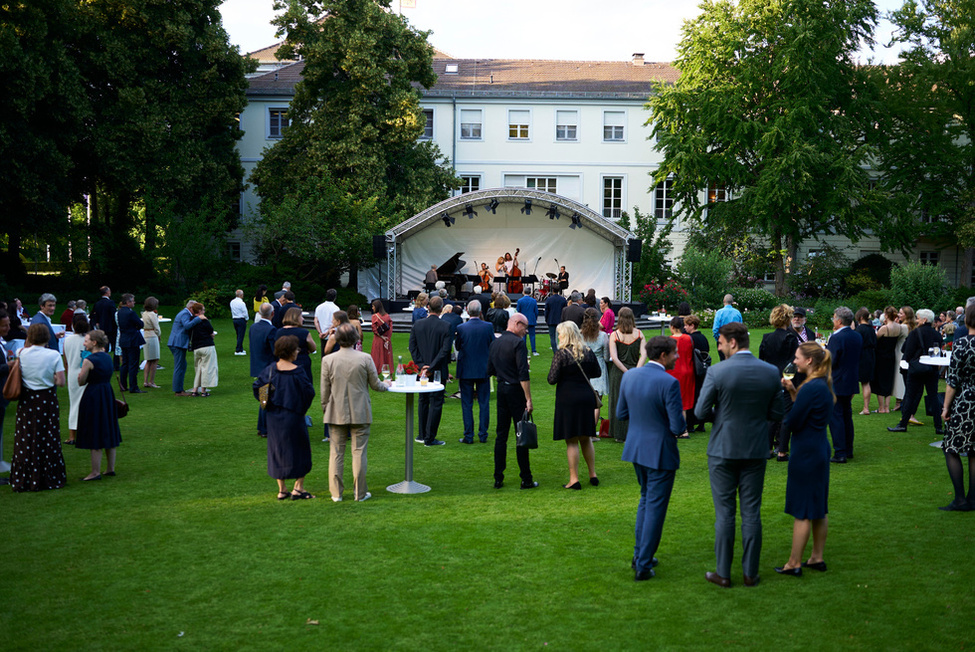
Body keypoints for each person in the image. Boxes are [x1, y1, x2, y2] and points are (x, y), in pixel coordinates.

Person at [695, 322, 784, 588]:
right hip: (756, 448)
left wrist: (721, 416)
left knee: (725, 513)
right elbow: (778, 413)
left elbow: (700, 413)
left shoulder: (718, 371)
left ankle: (723, 573)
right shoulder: (770, 372)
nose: (719, 347)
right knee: (751, 512)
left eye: (720, 342)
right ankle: (750, 573)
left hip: (723, 448)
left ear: (732, 342)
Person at [618, 335, 686, 580]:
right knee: (654, 507)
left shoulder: (630, 376)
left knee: (646, 501)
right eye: (675, 353)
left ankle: (641, 554)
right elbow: (678, 427)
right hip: (660, 452)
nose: (677, 356)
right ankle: (643, 563)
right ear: (663, 355)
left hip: (636, 448)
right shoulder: (669, 383)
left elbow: (621, 413)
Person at [776, 342, 835, 575]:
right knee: (818, 508)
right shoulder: (822, 384)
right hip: (819, 448)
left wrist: (785, 403)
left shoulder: (811, 388)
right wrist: (792, 391)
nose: (795, 361)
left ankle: (793, 563)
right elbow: (806, 411)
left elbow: (793, 422)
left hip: (806, 452)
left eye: (797, 357)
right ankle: (816, 557)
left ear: (809, 361)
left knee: (802, 509)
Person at [321, 323, 390, 502]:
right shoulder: (364, 358)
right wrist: (387, 385)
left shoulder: (328, 360)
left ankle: (337, 494)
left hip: (336, 412)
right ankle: (359, 494)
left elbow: (324, 392)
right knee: (358, 452)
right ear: (356, 338)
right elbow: (376, 385)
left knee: (336, 453)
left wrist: (325, 410)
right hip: (360, 411)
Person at [253, 335, 316, 500]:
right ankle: (298, 487)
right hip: (294, 416)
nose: (298, 351)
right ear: (290, 352)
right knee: (301, 449)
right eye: (296, 348)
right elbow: (309, 392)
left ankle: (282, 489)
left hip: (274, 417)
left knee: (277, 449)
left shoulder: (270, 370)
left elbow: (258, 387)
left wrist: (267, 403)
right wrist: (301, 408)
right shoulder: (298, 371)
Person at [9, 324, 67, 492]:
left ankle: (25, 477)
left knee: (26, 437)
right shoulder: (54, 355)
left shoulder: (22, 354)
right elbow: (61, 382)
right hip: (46, 399)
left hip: (27, 400)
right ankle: (48, 475)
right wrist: (50, 378)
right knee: (47, 436)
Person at [548, 321, 601, 489]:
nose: (558, 336)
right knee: (586, 437)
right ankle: (593, 474)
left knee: (571, 440)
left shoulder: (561, 354)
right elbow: (597, 372)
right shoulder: (588, 351)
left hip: (568, 398)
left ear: (566, 335)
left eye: (560, 334)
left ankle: (574, 478)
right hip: (585, 396)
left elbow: (551, 379)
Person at [488, 313, 537, 489]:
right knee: (521, 433)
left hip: (502, 389)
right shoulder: (518, 344)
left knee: (501, 434)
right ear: (517, 324)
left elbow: (490, 369)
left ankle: (498, 477)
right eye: (525, 327)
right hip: (516, 391)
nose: (526, 331)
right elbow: (523, 375)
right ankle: (526, 478)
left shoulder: (495, 343)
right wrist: (528, 399)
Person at [940, 303, 975, 511]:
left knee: (951, 448)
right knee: (974, 451)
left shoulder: (962, 344)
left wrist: (945, 407)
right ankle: (973, 499)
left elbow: (952, 381)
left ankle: (961, 499)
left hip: (967, 401)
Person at [75, 329, 123, 481]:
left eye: (87, 340)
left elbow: (81, 380)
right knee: (108, 427)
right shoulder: (107, 357)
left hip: (94, 395)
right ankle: (110, 468)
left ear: (94, 343)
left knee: (95, 430)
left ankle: (95, 471)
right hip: (107, 393)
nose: (84, 343)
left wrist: (80, 375)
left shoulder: (89, 360)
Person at [888, 309, 944, 436]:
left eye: (918, 318)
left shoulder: (915, 333)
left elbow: (906, 353)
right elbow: (938, 352)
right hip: (932, 369)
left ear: (924, 320)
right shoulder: (937, 335)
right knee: (933, 397)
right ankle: (938, 426)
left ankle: (903, 424)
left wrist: (912, 359)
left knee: (910, 396)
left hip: (916, 369)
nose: (916, 320)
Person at [409, 296, 452, 446]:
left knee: (424, 400)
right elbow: (445, 350)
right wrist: (429, 367)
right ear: (441, 309)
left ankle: (423, 434)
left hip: (426, 370)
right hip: (437, 369)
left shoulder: (418, 325)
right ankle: (429, 437)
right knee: (435, 401)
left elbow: (412, 348)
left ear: (428, 307)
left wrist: (423, 366)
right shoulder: (445, 326)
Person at [759, 304, 799, 460]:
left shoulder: (766, 338)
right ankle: (782, 451)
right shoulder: (790, 338)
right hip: (785, 378)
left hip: (770, 378)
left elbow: (761, 360)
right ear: (787, 319)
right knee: (785, 416)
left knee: (771, 415)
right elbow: (793, 361)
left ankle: (768, 449)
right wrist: (788, 378)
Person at [455, 300, 494, 444]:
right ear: (480, 312)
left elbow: (458, 346)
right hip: (482, 368)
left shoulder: (462, 327)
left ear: (467, 310)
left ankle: (469, 436)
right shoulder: (487, 327)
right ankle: (482, 435)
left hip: (467, 369)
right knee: (484, 403)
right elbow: (492, 344)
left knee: (467, 404)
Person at [826, 307, 861, 463]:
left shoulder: (836, 338)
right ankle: (848, 449)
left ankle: (840, 452)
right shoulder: (856, 336)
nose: (833, 320)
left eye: (834, 318)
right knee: (846, 415)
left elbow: (831, 361)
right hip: (851, 379)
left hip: (837, 380)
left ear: (839, 321)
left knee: (836, 417)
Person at [608, 307, 647, 442]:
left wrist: (626, 371)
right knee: (635, 402)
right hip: (636, 372)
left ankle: (619, 434)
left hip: (619, 373)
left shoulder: (615, 335)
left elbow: (614, 358)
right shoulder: (639, 334)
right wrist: (636, 370)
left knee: (617, 401)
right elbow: (644, 354)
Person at [581, 308, 610, 437]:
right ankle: (591, 432)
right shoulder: (603, 336)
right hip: (598, 366)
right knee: (597, 402)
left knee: (585, 401)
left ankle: (585, 429)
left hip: (584, 367)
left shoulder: (580, 334)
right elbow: (606, 356)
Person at [250, 303, 277, 438]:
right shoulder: (271, 330)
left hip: (258, 366)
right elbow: (275, 351)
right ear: (272, 314)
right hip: (268, 367)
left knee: (264, 397)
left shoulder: (253, 327)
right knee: (266, 398)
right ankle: (264, 428)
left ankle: (262, 427)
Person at [63, 313, 90, 446]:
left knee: (74, 403)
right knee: (87, 403)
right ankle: (87, 433)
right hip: (87, 373)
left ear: (73, 325)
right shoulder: (90, 339)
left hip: (73, 374)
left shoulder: (67, 340)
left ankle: (72, 435)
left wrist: (68, 375)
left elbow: (66, 361)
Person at [874, 306, 905, 414]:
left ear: (886, 315)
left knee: (880, 381)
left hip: (881, 356)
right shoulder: (899, 327)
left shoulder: (884, 328)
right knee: (888, 381)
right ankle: (887, 407)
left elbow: (876, 339)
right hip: (891, 356)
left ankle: (882, 408)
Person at [667, 316, 695, 436]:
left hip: (673, 371)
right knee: (683, 402)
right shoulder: (688, 338)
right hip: (687, 371)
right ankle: (684, 429)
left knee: (673, 401)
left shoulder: (669, 340)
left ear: (672, 327)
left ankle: (676, 428)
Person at [167, 299, 202, 396]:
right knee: (180, 366)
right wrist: (198, 318)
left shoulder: (185, 313)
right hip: (177, 343)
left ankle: (179, 389)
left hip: (178, 343)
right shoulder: (185, 314)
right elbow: (187, 325)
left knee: (182, 365)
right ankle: (178, 391)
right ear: (190, 308)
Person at [683, 314, 711, 433]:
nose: (684, 327)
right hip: (704, 369)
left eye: (686, 325)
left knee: (692, 395)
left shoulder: (690, 339)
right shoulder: (703, 337)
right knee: (701, 394)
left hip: (693, 369)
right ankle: (701, 422)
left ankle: (690, 424)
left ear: (692, 326)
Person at [275, 307, 317, 383]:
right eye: (301, 317)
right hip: (301, 362)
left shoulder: (279, 332)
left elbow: (262, 389)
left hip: (283, 364)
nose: (303, 319)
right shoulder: (304, 333)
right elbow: (313, 348)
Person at [116, 294, 145, 393]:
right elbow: (140, 324)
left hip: (124, 339)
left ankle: (123, 385)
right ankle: (133, 386)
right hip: (132, 340)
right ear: (128, 302)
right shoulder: (130, 313)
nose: (134, 302)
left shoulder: (120, 312)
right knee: (133, 364)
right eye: (132, 301)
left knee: (125, 363)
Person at [188, 302, 218, 397]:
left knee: (199, 368)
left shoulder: (191, 321)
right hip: (207, 346)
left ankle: (195, 389)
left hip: (196, 347)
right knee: (207, 368)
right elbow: (210, 331)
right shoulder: (204, 320)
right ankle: (204, 390)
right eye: (203, 310)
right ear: (200, 311)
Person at [855, 307, 877, 415]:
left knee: (853, 382)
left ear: (859, 317)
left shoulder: (859, 330)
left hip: (860, 356)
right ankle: (866, 407)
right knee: (866, 383)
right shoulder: (871, 329)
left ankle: (844, 404)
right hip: (870, 356)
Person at [711, 294, 743, 360]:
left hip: (723, 339)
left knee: (723, 360)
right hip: (734, 339)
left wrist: (718, 338)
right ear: (732, 302)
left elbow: (715, 328)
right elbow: (741, 328)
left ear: (724, 301)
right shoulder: (737, 313)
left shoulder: (719, 312)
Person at [93, 287, 118, 367]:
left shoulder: (97, 303)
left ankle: (103, 362)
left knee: (104, 346)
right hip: (111, 328)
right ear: (107, 292)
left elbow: (94, 315)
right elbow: (113, 315)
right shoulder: (110, 303)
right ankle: (116, 364)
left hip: (102, 328)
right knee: (114, 346)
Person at [140, 297, 162, 389]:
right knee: (155, 359)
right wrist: (159, 335)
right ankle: (151, 381)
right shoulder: (152, 314)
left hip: (146, 335)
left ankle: (145, 381)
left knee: (149, 360)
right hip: (152, 336)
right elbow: (156, 327)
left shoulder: (144, 313)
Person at [370, 299, 393, 376]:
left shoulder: (374, 316)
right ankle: (389, 374)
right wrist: (387, 338)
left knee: (376, 356)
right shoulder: (387, 316)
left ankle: (376, 372)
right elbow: (390, 329)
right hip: (386, 339)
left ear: (376, 307)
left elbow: (374, 329)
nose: (372, 308)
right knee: (387, 356)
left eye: (373, 306)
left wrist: (381, 336)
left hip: (378, 339)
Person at [314, 289, 340, 355]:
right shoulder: (336, 308)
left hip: (322, 334)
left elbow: (316, 321)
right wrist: (327, 332)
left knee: (324, 354)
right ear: (335, 297)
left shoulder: (319, 307)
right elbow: (336, 322)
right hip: (332, 334)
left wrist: (320, 332)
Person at [516, 287, 539, 356]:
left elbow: (518, 311)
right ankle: (534, 350)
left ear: (523, 292)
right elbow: (536, 311)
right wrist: (535, 318)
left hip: (523, 320)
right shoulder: (533, 301)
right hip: (531, 319)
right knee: (532, 336)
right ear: (530, 293)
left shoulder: (520, 301)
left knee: (523, 336)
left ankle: (523, 350)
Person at [230, 289, 248, 355]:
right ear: (241, 295)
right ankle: (238, 350)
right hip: (241, 319)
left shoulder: (232, 302)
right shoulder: (242, 303)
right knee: (241, 335)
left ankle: (240, 348)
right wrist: (246, 319)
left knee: (238, 334)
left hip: (235, 319)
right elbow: (245, 312)